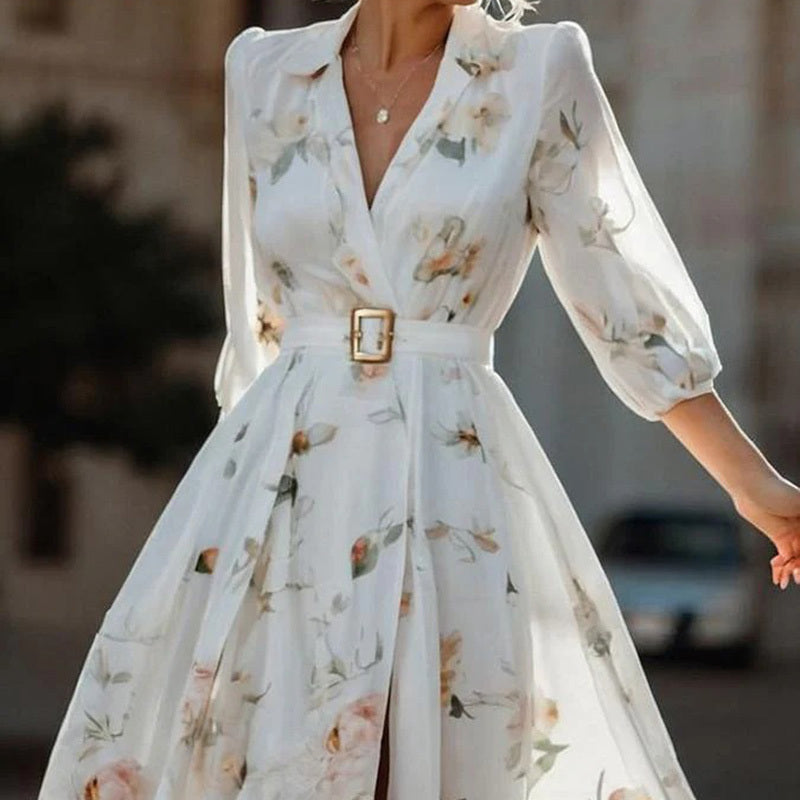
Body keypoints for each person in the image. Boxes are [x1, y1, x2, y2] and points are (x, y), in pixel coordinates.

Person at [37, 1, 800, 799]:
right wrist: (241, 498)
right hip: (284, 483)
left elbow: (626, 307)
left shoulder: (540, 69)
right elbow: (257, 314)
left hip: (448, 482)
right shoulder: (261, 71)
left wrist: (756, 487)